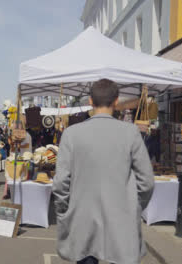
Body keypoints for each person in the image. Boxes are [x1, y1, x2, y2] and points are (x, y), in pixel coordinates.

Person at [52, 79, 154, 264]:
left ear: (90, 101)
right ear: (116, 101)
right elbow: (146, 181)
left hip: (83, 218)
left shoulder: (71, 134)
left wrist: (63, 211)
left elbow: (60, 183)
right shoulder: (130, 132)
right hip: (121, 218)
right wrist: (133, 206)